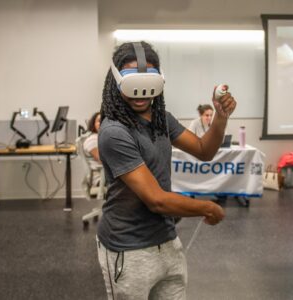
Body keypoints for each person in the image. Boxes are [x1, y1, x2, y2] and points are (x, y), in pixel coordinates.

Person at [96, 41, 236, 300]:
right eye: (132, 84)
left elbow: (204, 150)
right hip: (128, 249)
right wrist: (206, 207)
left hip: (167, 240)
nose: (141, 94)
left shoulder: (162, 119)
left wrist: (221, 116)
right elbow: (156, 200)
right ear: (116, 82)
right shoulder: (114, 132)